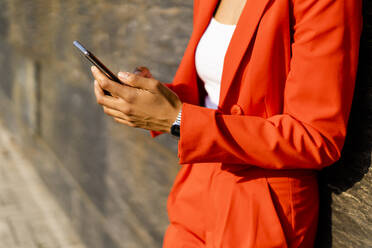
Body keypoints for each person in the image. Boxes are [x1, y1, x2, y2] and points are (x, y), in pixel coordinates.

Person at [91, 0, 363, 247]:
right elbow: (220, 93)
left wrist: (177, 120)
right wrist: (149, 99)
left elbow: (315, 137)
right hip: (196, 184)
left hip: (261, 204)